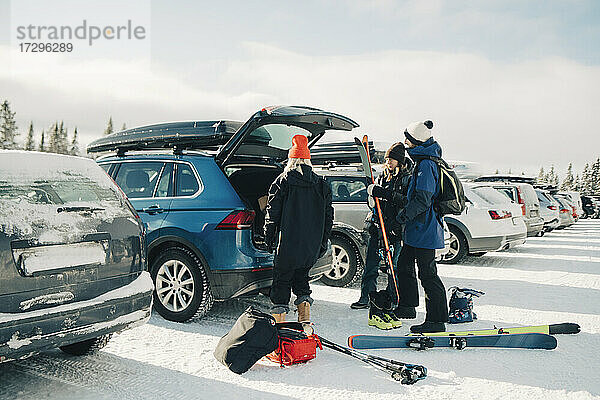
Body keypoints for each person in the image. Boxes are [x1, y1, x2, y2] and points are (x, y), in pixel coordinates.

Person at [264, 135, 334, 324]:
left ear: (291, 159)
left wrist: (268, 238)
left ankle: (280, 330)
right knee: (302, 281)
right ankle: (305, 324)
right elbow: (329, 218)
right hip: (310, 247)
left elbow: (272, 214)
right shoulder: (322, 184)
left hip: (287, 246)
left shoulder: (283, 181)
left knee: (281, 284)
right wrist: (322, 242)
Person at [350, 142, 411, 330]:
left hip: (395, 230)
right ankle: (366, 297)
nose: (388, 162)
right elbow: (376, 200)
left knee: (393, 268)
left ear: (399, 160)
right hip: (378, 227)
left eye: (391, 159)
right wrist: (373, 195)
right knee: (371, 265)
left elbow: (406, 201)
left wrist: (384, 194)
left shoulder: (407, 178)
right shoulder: (383, 176)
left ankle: (392, 300)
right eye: (386, 159)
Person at [395, 120, 448, 333]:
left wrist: (403, 216)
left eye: (408, 139)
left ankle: (436, 319)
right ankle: (408, 307)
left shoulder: (426, 164)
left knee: (427, 274)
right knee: (404, 264)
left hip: (424, 229)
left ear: (416, 142)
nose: (405, 142)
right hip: (416, 230)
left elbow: (423, 199)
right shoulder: (421, 161)